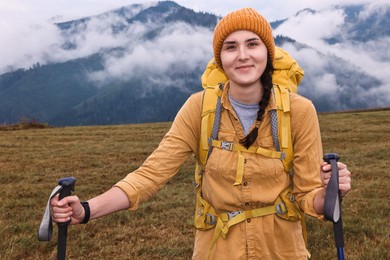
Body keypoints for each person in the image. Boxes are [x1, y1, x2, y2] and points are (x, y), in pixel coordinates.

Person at [50, 7, 352, 259]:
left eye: (252, 44)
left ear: (268, 53)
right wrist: (87, 210)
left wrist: (329, 193)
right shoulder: (200, 108)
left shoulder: (299, 111)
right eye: (231, 47)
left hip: (281, 251)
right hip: (216, 251)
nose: (243, 55)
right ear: (220, 59)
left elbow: (307, 196)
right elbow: (151, 175)